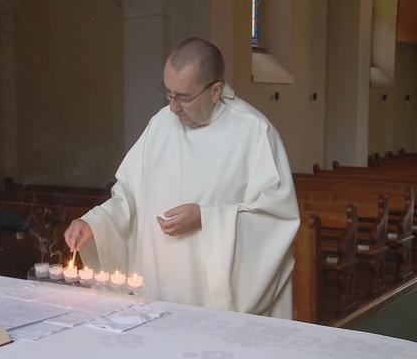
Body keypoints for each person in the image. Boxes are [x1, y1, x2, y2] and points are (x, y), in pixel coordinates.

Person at [64, 38, 299, 319]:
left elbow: (275, 221)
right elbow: (129, 196)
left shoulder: (253, 132)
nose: (173, 107)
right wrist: (95, 223)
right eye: (168, 93)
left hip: (210, 303)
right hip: (154, 289)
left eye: (184, 97)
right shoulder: (161, 124)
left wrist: (206, 219)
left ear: (216, 91)